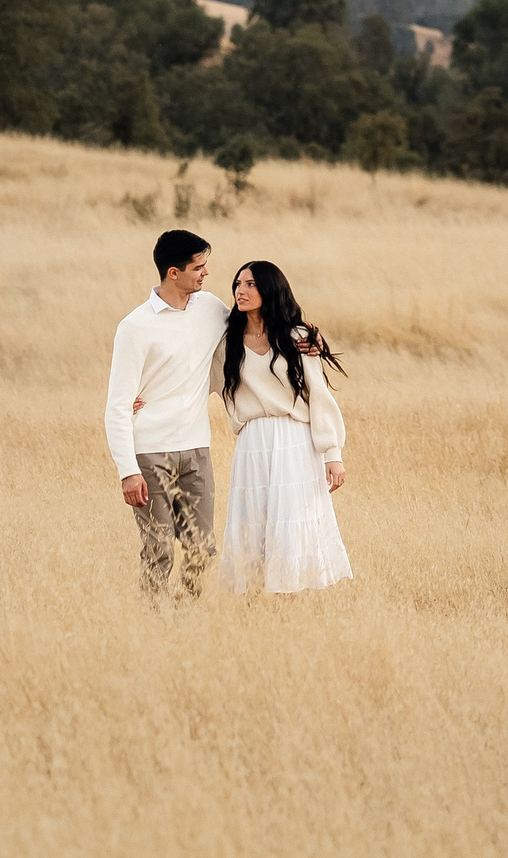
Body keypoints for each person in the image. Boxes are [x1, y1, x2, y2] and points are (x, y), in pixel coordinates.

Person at [104, 229, 232, 600]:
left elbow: (255, 329)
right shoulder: (135, 327)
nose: (206, 273)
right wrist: (128, 471)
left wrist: (306, 338)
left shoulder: (210, 308)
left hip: (197, 449)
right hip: (149, 453)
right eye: (198, 267)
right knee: (158, 549)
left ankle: (186, 616)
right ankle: (153, 619)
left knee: (201, 549)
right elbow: (117, 405)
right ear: (173, 272)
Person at [218, 259, 353, 597]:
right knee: (252, 522)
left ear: (270, 289)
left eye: (251, 284)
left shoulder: (298, 337)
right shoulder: (227, 340)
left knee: (293, 522)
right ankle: (252, 604)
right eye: (238, 284)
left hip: (296, 440)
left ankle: (290, 603)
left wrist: (332, 453)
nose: (241, 291)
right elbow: (192, 379)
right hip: (252, 443)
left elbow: (318, 395)